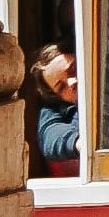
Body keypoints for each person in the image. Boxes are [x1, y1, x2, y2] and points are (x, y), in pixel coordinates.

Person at [28, 40, 81, 173]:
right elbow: (50, 135)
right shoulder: (71, 113)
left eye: (73, 69)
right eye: (62, 87)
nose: (72, 82)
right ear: (61, 99)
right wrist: (79, 142)